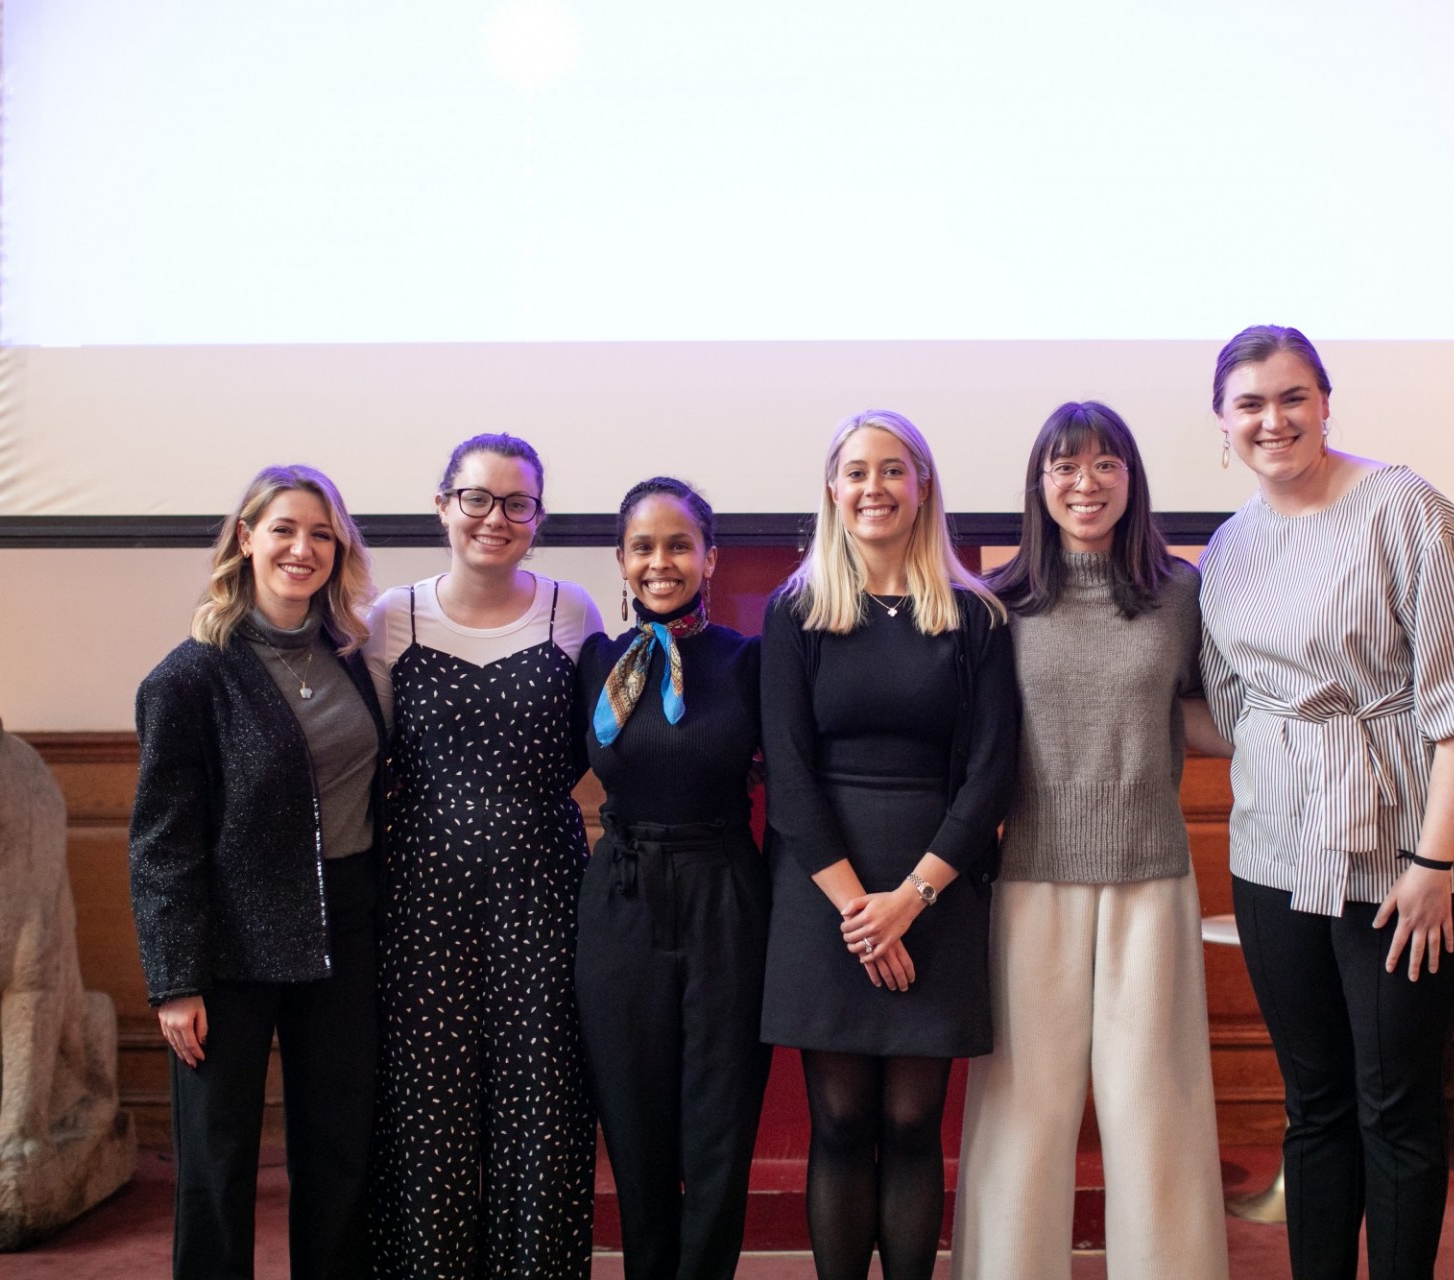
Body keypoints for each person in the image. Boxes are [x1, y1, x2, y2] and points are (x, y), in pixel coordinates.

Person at [1198, 326, 1454, 1280]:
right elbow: (1231, 709)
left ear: (1326, 403)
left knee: (1395, 1105)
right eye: (1250, 404)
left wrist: (1431, 868)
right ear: (1223, 423)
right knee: (1317, 1106)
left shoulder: (1407, 509)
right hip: (1274, 857)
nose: (1273, 420)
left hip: (1406, 861)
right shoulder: (1228, 547)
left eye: (1292, 397)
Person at [950, 402, 1231, 1280]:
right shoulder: (998, 602)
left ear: (1131, 479)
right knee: (1023, 1106)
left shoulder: (1180, 591)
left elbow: (1213, 712)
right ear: (1039, 485)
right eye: (1066, 467)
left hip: (1152, 867)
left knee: (1156, 1103)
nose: (1086, 483)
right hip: (1030, 869)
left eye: (1106, 465)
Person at [759, 410, 1019, 1280]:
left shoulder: (976, 617)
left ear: (923, 488)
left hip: (935, 887)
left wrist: (910, 901)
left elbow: (990, 775)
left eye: (894, 470)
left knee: (912, 1125)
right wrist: (859, 913)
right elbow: (788, 777)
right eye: (857, 472)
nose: (875, 487)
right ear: (833, 491)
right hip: (821, 890)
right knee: (837, 1122)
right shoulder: (794, 612)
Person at [129, 464, 384, 1280]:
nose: (302, 548)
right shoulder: (189, 677)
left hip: (345, 928)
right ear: (246, 539)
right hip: (230, 946)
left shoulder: (351, 656)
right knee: (218, 1159)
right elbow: (161, 843)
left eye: (321, 533)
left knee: (339, 1148)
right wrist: (174, 981)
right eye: (283, 529)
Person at [365, 433, 603, 1279]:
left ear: (537, 517)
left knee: (544, 1111)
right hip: (422, 896)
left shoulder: (571, 611)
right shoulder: (388, 618)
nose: (495, 518)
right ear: (443, 504)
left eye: (516, 503)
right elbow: (374, 754)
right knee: (429, 1113)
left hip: (545, 890)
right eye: (477, 498)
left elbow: (594, 748)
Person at [574, 477, 772, 1280]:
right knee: (635, 1128)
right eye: (644, 548)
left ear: (710, 557)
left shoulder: (748, 660)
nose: (662, 563)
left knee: (720, 1132)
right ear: (621, 561)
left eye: (680, 545)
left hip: (726, 895)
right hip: (620, 898)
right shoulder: (593, 660)